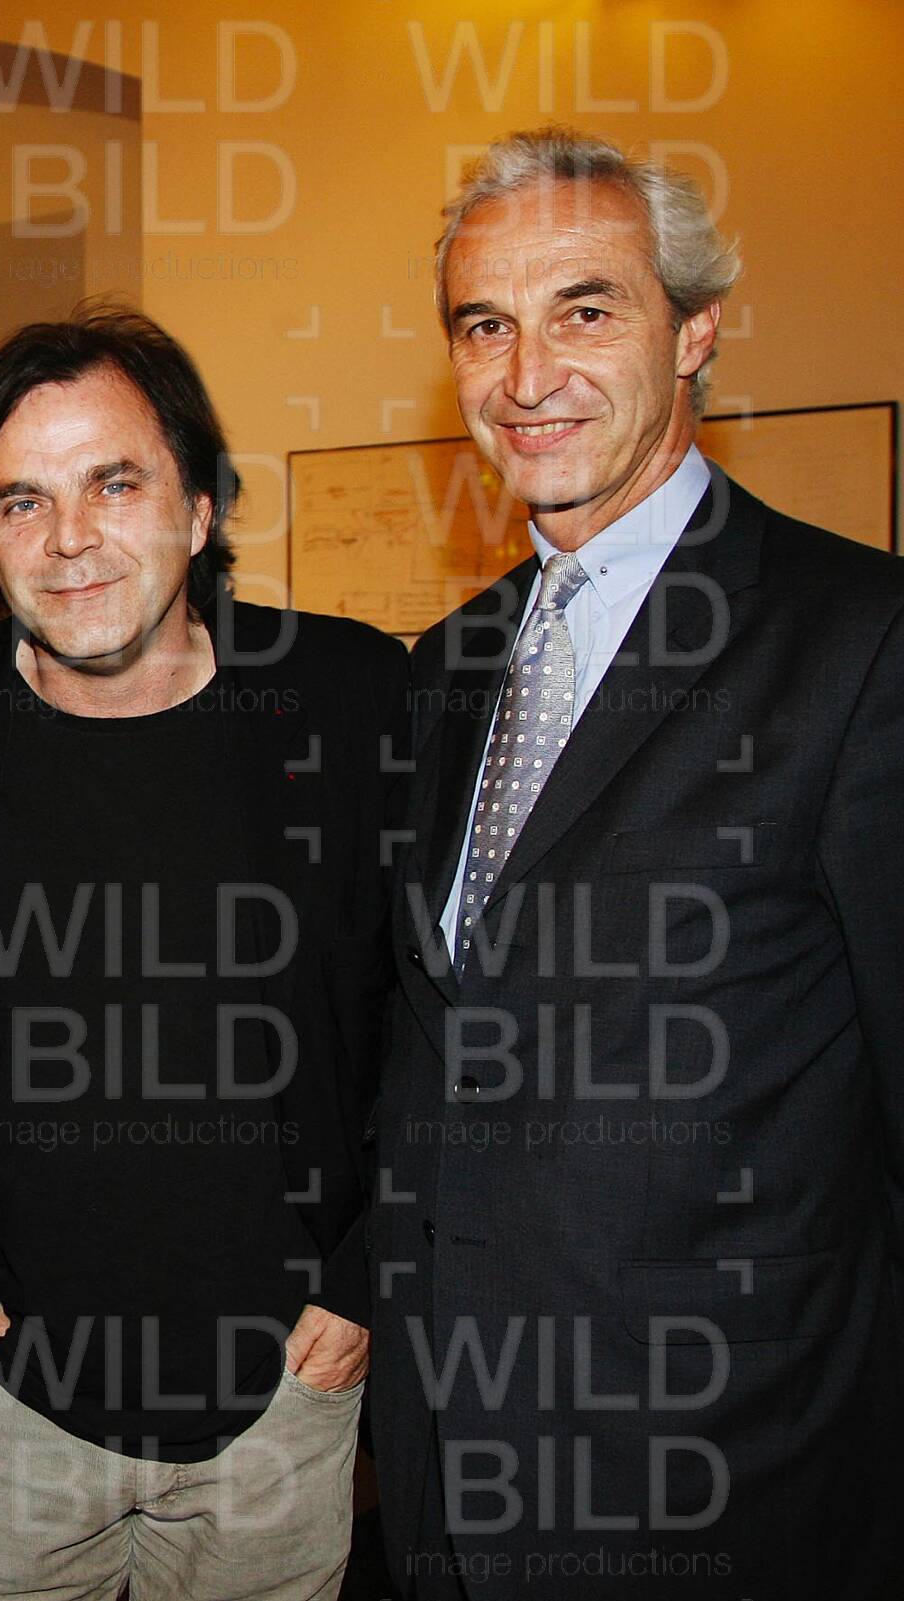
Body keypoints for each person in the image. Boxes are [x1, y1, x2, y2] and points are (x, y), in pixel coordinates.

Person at [370, 127, 904, 1600]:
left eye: (586, 309)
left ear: (696, 331)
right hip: (447, 1472)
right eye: (485, 326)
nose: (526, 374)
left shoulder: (859, 644)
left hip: (734, 1479)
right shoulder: (449, 665)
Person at [0, 305, 407, 1600]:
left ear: (199, 509)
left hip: (284, 1392)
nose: (70, 537)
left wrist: (364, 1280)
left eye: (115, 483)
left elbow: (424, 1018)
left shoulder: (347, 700)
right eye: (22, 501)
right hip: (7, 1412)